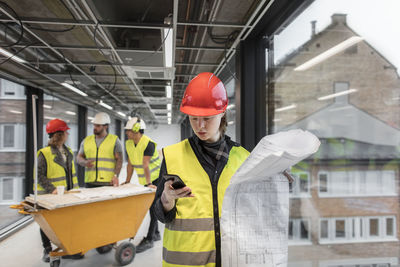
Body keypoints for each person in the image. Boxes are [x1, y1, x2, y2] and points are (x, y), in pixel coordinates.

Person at [154, 72, 250, 267]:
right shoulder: (173, 156)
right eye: (194, 118)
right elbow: (160, 214)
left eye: (207, 118)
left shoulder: (244, 158)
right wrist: (167, 200)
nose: (200, 126)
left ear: (222, 112)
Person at [36, 119, 81, 262]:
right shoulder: (44, 153)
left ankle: (67, 248)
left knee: (66, 223)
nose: (68, 134)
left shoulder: (67, 152)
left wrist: (74, 191)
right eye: (65, 132)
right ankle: (47, 249)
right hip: (50, 195)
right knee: (47, 224)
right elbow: (39, 175)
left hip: (66, 194)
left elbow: (70, 174)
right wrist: (52, 189)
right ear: (59, 135)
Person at [122, 117, 162, 252]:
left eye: (128, 130)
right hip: (146, 181)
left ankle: (150, 239)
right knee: (151, 207)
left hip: (156, 179)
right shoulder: (129, 144)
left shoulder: (148, 144)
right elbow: (130, 164)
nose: (126, 133)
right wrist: (127, 181)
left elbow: (146, 165)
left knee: (153, 209)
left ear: (136, 130)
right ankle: (156, 234)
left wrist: (150, 183)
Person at [77, 112, 123, 187]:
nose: (95, 127)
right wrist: (84, 162)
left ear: (105, 126)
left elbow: (119, 160)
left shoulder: (114, 140)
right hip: (90, 182)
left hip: (108, 181)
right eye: (94, 125)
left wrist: (116, 176)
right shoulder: (86, 140)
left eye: (98, 125)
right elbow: (79, 157)